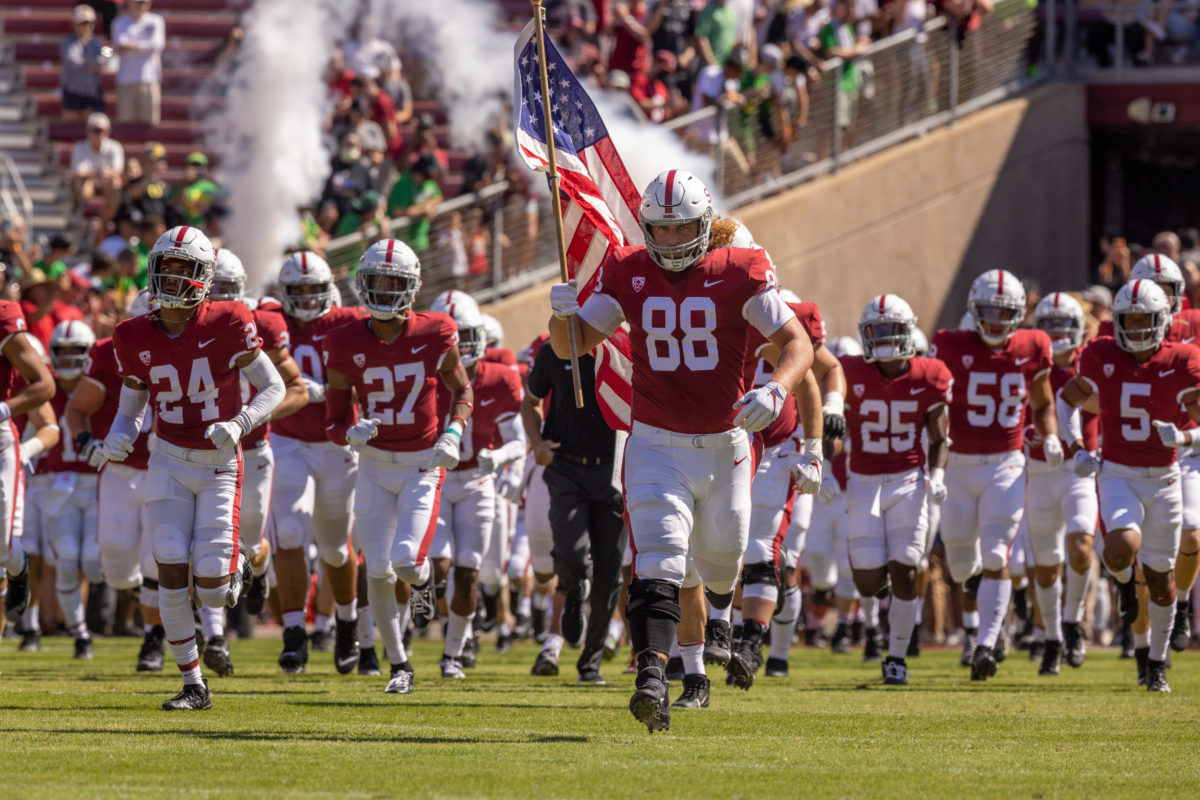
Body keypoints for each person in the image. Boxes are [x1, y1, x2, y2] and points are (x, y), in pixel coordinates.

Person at [548, 169, 813, 732]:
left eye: (681, 230)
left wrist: (775, 386)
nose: (668, 243)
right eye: (658, 231)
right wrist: (562, 312)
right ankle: (651, 677)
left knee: (719, 565)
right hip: (654, 443)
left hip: (724, 447)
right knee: (659, 561)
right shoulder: (627, 269)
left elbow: (799, 344)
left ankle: (718, 611)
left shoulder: (739, 268)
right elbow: (574, 344)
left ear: (704, 224)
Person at [91, 225, 286, 710]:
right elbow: (131, 407)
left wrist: (239, 423)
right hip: (168, 460)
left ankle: (240, 563)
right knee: (170, 569)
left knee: (214, 591)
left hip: (219, 463)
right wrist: (119, 435)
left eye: (183, 271)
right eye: (165, 269)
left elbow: (274, 388)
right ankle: (193, 684)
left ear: (203, 278)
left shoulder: (228, 319)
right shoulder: (131, 333)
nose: (171, 279)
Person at [324, 238, 474, 695]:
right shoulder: (344, 339)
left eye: (396, 283)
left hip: (420, 464)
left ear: (412, 288)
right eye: (378, 282)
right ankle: (400, 664)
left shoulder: (436, 330)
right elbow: (332, 418)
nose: (386, 292)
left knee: (407, 561)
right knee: (378, 571)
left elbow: (462, 392)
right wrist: (348, 432)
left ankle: (425, 583)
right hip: (372, 464)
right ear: (361, 285)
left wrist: (453, 432)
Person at [1057, 279, 1200, 693]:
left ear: (1162, 321)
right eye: (1128, 321)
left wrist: (1186, 438)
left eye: (1144, 321)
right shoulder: (1101, 354)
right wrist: (1077, 447)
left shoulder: (1184, 359)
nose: (1136, 330)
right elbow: (1067, 400)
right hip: (1117, 472)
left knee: (1160, 580)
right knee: (1120, 549)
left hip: (1166, 478)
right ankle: (1122, 586)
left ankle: (1153, 661)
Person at [930, 269, 1059, 682]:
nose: (995, 321)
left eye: (1004, 312)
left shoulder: (1034, 346)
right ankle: (984, 619)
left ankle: (986, 642)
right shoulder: (950, 344)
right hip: (960, 465)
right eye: (987, 311)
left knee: (997, 552)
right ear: (973, 309)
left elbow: (1042, 403)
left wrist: (1050, 434)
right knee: (960, 559)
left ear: (1020, 314)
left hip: (1006, 461)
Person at [196, 249, 308, 677]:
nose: (221, 297)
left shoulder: (259, 324)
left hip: (253, 449)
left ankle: (259, 568)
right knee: (207, 543)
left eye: (228, 289)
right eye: (215, 288)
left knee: (248, 543)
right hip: (202, 452)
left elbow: (292, 389)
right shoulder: (180, 325)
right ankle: (216, 637)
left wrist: (246, 418)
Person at [841, 295, 951, 686]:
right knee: (868, 583)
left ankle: (897, 658)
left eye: (893, 331)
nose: (886, 339)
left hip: (908, 480)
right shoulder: (848, 371)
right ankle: (884, 583)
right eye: (878, 331)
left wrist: (936, 475)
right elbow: (829, 423)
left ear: (908, 333)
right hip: (864, 481)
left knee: (906, 568)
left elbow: (940, 437)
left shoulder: (930, 374)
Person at [267, 252, 366, 676]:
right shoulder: (271, 322)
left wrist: (329, 394)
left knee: (336, 547)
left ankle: (344, 623)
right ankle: (293, 632)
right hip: (287, 440)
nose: (306, 299)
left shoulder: (353, 322)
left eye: (313, 289)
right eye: (298, 290)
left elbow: (378, 379)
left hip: (337, 442)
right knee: (288, 532)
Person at [66, 289, 163, 672]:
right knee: (118, 568)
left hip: (166, 467)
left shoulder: (193, 347)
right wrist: (86, 440)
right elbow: (77, 409)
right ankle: (171, 606)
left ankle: (154, 639)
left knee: (159, 560)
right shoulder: (109, 353)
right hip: (120, 470)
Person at [430, 293, 525, 678]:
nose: (459, 347)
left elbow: (518, 439)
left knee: (469, 569)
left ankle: (454, 651)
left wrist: (500, 459)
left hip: (477, 481)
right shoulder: (423, 376)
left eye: (466, 336)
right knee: (436, 566)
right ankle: (427, 608)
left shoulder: (499, 378)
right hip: (433, 478)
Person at [522, 331, 625, 685]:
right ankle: (572, 583)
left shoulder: (628, 350)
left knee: (610, 571)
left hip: (613, 467)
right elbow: (530, 400)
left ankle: (591, 661)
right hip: (565, 466)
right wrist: (537, 443)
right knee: (569, 554)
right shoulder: (554, 351)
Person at [1022, 292, 1098, 674]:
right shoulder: (1031, 366)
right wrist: (1022, 434)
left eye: (1061, 324)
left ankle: (1072, 624)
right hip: (1038, 473)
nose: (1055, 332)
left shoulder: (1092, 364)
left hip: (1077, 472)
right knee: (1047, 567)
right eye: (1048, 325)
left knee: (1082, 545)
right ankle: (1051, 635)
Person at [41, 320, 100, 659]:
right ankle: (80, 634)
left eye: (76, 351)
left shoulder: (101, 386)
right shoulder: (45, 387)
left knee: (92, 563)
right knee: (65, 557)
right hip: (59, 483)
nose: (68, 358)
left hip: (94, 482)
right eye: (61, 351)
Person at [111, 0, 164, 125]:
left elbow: (156, 46)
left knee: (150, 123)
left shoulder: (156, 21)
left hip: (149, 79)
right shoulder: (120, 22)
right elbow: (118, 47)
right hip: (126, 79)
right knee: (126, 123)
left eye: (143, 2)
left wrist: (130, 46)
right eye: (137, 2)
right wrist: (142, 46)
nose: (141, 6)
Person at [386, 155, 443, 253]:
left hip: (421, 241)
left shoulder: (428, 182)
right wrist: (423, 210)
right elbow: (398, 211)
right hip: (402, 245)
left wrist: (429, 204)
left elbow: (438, 197)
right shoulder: (403, 184)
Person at [60, 5, 107, 121]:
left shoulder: (98, 42)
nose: (86, 27)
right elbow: (72, 61)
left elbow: (107, 58)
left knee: (91, 122)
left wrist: (86, 60)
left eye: (89, 23)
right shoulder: (68, 42)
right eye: (83, 23)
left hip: (92, 91)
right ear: (75, 24)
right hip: (73, 90)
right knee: (71, 123)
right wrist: (91, 62)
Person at [70, 113, 124, 204]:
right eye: (94, 130)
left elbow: (118, 171)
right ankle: (85, 211)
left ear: (107, 131)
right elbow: (77, 172)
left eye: (100, 130)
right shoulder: (79, 147)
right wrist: (98, 174)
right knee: (83, 184)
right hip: (88, 182)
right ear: (88, 131)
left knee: (115, 182)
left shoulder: (115, 147)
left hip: (106, 183)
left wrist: (104, 174)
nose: (98, 134)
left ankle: (112, 213)